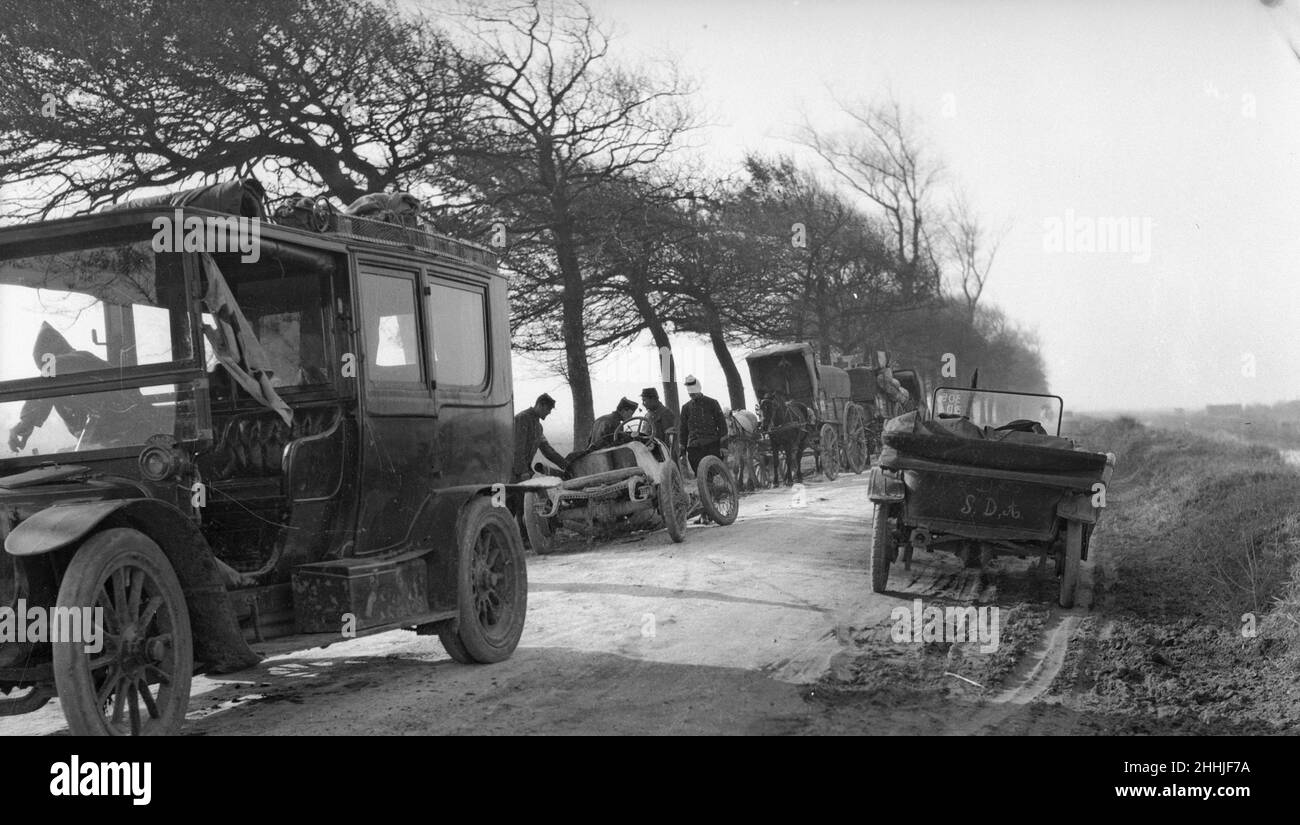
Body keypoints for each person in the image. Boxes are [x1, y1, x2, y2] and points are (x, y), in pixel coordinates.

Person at [7, 322, 155, 454]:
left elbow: (52, 371)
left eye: (45, 366)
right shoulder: (71, 372)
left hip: (132, 436)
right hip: (121, 437)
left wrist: (26, 421)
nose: (45, 370)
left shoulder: (73, 360)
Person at [511, 393, 567, 482]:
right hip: (513, 473)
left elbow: (547, 450)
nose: (549, 412)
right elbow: (518, 447)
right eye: (548, 409)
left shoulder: (538, 427)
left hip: (524, 473)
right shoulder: (522, 419)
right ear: (540, 405)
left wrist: (566, 465)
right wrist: (522, 471)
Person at [679, 375, 728, 474]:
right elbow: (683, 431)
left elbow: (722, 425)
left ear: (699, 389)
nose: (691, 394)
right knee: (700, 474)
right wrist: (682, 453)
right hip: (694, 448)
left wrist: (723, 446)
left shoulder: (712, 403)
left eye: (693, 391)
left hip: (712, 445)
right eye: (690, 392)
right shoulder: (685, 408)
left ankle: (714, 487)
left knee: (713, 472)